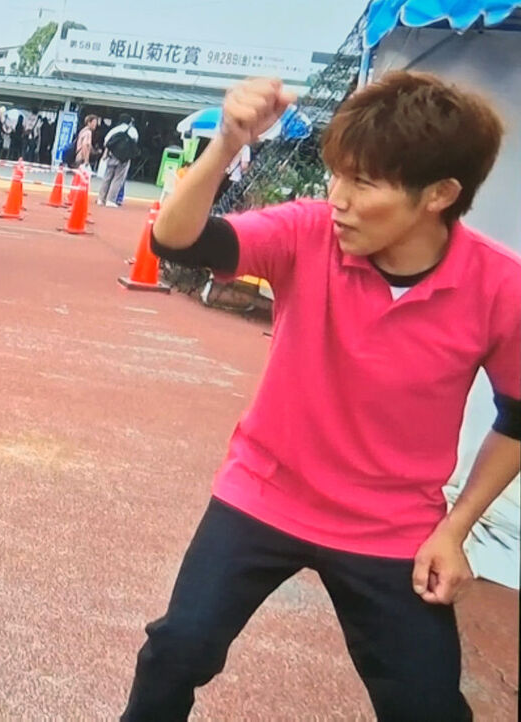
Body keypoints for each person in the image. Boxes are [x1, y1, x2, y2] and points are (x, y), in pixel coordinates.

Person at [121, 72, 521, 721]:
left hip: (393, 527)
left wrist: (456, 528)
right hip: (265, 490)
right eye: (336, 175)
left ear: (440, 194)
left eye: (364, 183)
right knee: (177, 648)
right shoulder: (309, 233)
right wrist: (225, 143)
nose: (338, 198)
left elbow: (518, 415)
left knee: (428, 707)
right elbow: (178, 239)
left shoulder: (500, 287)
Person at [98, 116, 139, 207]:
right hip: (124, 158)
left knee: (107, 177)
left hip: (111, 156)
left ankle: (101, 199)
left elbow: (106, 142)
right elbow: (135, 142)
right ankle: (111, 200)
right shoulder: (132, 130)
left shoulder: (115, 129)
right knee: (118, 179)